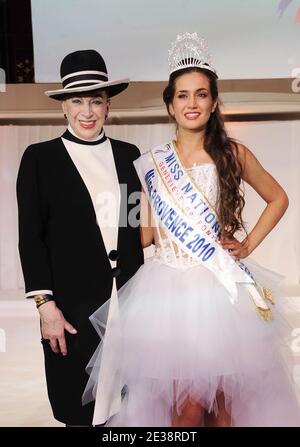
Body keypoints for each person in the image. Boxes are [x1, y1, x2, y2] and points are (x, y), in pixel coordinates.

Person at [83, 34, 300, 427]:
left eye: (201, 94)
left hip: (218, 290)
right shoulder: (151, 162)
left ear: (214, 102)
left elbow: (279, 198)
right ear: (170, 103)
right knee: (184, 410)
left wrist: (247, 246)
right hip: (164, 294)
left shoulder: (233, 153)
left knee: (222, 405)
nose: (192, 104)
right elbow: (145, 234)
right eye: (182, 95)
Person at [16, 49, 144, 426]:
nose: (87, 111)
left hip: (129, 303)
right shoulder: (39, 158)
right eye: (77, 101)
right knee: (78, 408)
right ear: (64, 107)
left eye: (96, 101)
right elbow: (30, 238)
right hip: (71, 309)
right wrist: (44, 305)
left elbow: (133, 225)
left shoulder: (128, 155)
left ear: (107, 106)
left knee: (130, 408)